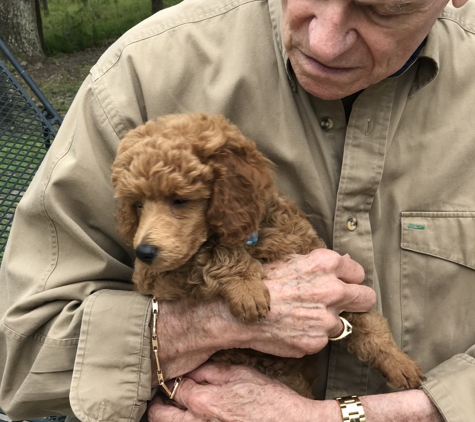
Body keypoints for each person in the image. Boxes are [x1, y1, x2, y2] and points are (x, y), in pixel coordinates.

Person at [0, 0, 474, 420]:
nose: (325, 42)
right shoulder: (144, 73)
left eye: (383, 8)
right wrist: (198, 324)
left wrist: (387, 413)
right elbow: (19, 353)